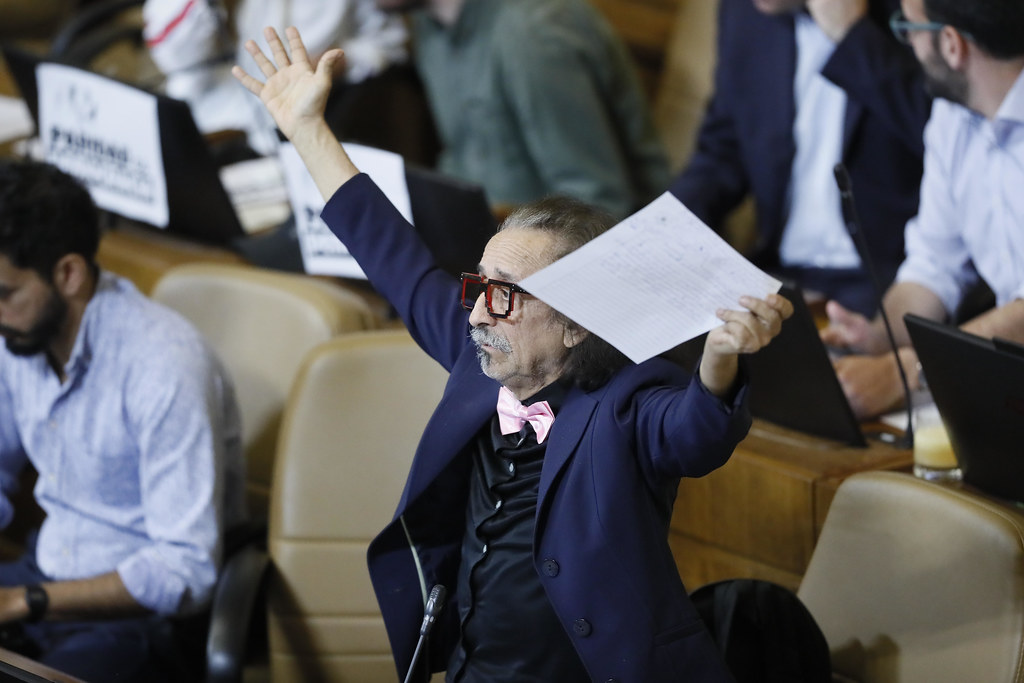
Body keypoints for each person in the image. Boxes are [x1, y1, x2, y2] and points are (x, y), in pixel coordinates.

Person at [233, 27, 793, 682]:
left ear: (576, 326)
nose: (475, 312)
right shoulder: (481, 353)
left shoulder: (626, 405)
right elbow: (391, 250)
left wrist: (719, 356)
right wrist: (308, 131)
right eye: (478, 285)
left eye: (506, 296)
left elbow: (695, 432)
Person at [0, 160, 246, 681]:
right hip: (43, 578)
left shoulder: (163, 364)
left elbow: (187, 569)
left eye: (5, 295)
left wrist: (28, 600)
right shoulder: (20, 336)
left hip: (135, 620)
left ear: (68, 274)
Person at [821, 0, 1024, 418]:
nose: (907, 42)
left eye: (909, 27)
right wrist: (883, 338)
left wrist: (903, 373)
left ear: (951, 44)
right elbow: (933, 267)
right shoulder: (953, 118)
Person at [670, 0, 931, 317]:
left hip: (891, 280)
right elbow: (723, 152)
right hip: (775, 273)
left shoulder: (913, 12)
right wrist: (662, 231)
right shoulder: (743, 13)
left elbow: (943, 136)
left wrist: (853, 36)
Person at [372, 0, 670, 221]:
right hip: (489, 237)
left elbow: (598, 202)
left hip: (568, 254)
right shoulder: (430, 24)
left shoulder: (531, 30)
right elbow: (462, 159)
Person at [143, 0, 408, 155]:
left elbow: (389, 42)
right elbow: (173, 52)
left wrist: (333, 62)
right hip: (226, 103)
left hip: (303, 115)